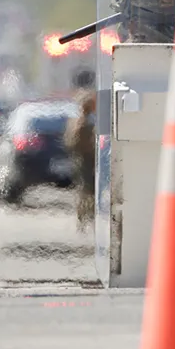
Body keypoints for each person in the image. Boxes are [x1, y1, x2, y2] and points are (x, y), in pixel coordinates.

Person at [63, 70, 98, 231]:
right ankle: (84, 218)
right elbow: (76, 141)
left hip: (85, 159)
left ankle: (85, 218)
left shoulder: (80, 119)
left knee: (87, 190)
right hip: (85, 159)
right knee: (87, 190)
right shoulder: (82, 122)